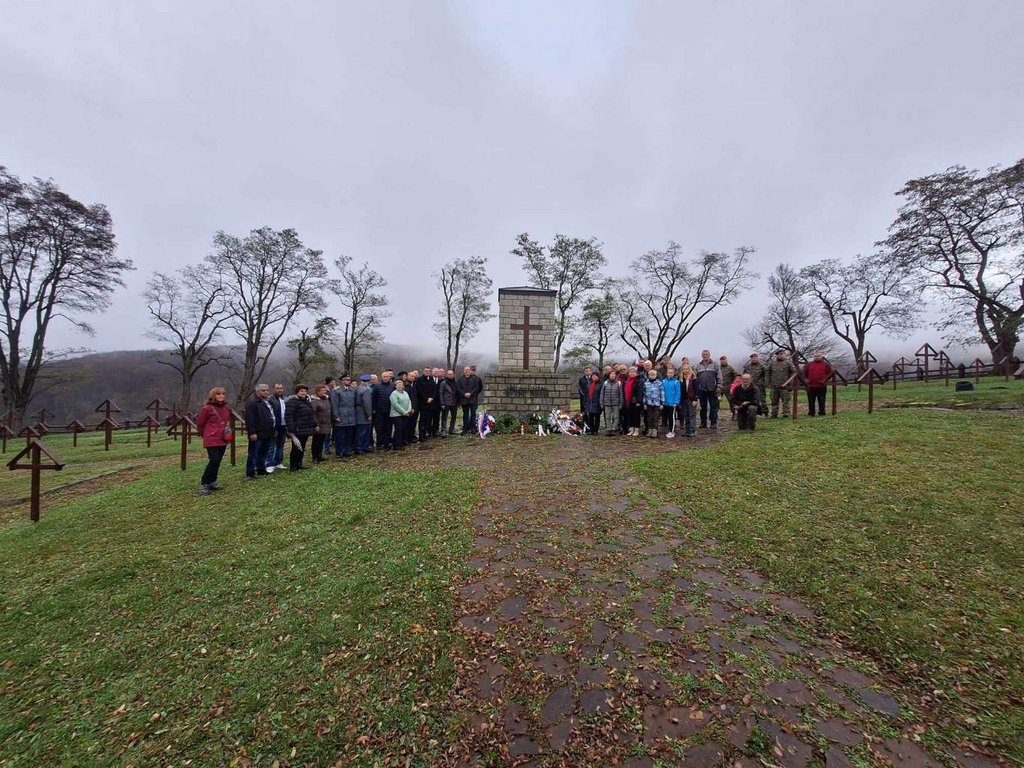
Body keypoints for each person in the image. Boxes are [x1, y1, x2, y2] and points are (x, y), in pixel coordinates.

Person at [196, 386, 230, 495]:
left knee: (218, 460)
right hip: (211, 438)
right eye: (218, 394)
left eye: (223, 394)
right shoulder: (207, 408)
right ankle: (204, 483)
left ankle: (212, 481)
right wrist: (206, 435)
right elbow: (200, 424)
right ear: (213, 395)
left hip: (222, 438)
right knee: (214, 460)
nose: (221, 396)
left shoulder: (225, 408)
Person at [244, 383, 277, 479]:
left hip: (268, 432)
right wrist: (252, 432)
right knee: (253, 453)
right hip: (257, 433)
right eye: (263, 390)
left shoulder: (268, 401)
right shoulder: (252, 402)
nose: (266, 392)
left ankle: (261, 469)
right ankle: (250, 473)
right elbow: (249, 419)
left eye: (267, 390)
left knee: (263, 452)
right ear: (257, 391)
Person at [284, 384, 317, 471]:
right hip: (297, 428)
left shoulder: (306, 401)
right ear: (297, 392)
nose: (303, 393)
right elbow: (289, 415)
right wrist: (291, 428)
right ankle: (293, 466)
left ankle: (299, 463)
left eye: (305, 391)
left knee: (302, 446)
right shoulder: (292, 401)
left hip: (305, 428)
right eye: (301, 391)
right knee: (295, 448)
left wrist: (313, 424)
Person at [694, 350, 723, 430]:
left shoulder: (715, 364)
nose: (705, 355)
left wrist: (719, 386)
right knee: (703, 407)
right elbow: (695, 378)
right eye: (703, 354)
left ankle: (713, 423)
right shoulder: (698, 365)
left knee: (713, 407)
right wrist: (696, 388)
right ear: (701, 355)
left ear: (709, 355)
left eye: (706, 354)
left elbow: (719, 376)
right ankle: (703, 423)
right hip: (702, 390)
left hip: (713, 389)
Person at [331, 374, 357, 457]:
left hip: (351, 417)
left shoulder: (352, 391)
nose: (348, 381)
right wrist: (336, 416)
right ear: (342, 381)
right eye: (346, 380)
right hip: (341, 417)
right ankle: (339, 452)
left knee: (349, 436)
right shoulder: (337, 391)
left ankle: (347, 451)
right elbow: (334, 405)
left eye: (349, 380)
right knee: (340, 436)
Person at [767, 350, 797, 418]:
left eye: (781, 354)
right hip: (774, 386)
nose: (780, 355)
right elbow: (768, 373)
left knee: (785, 401)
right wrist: (768, 383)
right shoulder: (772, 364)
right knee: (774, 401)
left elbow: (793, 373)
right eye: (778, 354)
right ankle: (774, 414)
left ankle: (786, 414)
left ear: (784, 354)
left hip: (785, 386)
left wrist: (790, 383)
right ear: (776, 355)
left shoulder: (788, 363)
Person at [803, 350, 833, 416]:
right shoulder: (809, 364)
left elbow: (830, 373)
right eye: (815, 356)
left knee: (821, 400)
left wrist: (825, 380)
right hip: (811, 386)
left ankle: (822, 412)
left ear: (821, 356)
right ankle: (811, 412)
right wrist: (809, 379)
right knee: (811, 401)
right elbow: (805, 373)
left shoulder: (825, 364)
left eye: (818, 356)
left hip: (821, 386)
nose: (817, 357)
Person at [456, 365, 483, 435]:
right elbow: (458, 388)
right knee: (465, 414)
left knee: (473, 414)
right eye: (466, 370)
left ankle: (473, 429)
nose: (467, 371)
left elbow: (477, 388)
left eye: (468, 370)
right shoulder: (460, 379)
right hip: (464, 399)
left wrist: (471, 393)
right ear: (464, 371)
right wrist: (464, 394)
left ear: (470, 371)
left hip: (472, 399)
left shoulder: (475, 379)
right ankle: (465, 429)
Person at [266, 383, 288, 470]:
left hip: (283, 426)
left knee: (280, 445)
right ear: (274, 389)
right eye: (277, 388)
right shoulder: (271, 400)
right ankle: (269, 464)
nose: (279, 390)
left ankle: (278, 462)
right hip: (274, 426)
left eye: (281, 388)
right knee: (271, 446)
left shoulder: (284, 399)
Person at [372, 371, 396, 450]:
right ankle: (379, 443)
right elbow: (373, 398)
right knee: (380, 428)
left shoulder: (393, 386)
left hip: (389, 410)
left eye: (387, 376)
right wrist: (374, 408)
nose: (386, 378)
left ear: (390, 377)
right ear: (381, 377)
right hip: (380, 410)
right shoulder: (377, 386)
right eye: (384, 376)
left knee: (388, 427)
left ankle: (387, 443)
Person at [310, 384, 333, 463]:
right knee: (316, 441)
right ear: (318, 392)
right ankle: (315, 457)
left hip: (325, 424)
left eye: (325, 390)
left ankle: (319, 455)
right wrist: (316, 424)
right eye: (323, 391)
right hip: (318, 425)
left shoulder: (326, 399)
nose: (325, 392)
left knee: (321, 440)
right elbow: (313, 413)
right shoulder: (314, 401)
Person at [390, 378, 413, 450]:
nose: (400, 386)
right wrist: (403, 412)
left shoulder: (405, 393)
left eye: (401, 385)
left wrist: (409, 410)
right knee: (398, 429)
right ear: (395, 386)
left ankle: (402, 443)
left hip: (406, 414)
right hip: (397, 415)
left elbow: (409, 401)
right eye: (398, 385)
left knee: (403, 429)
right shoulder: (394, 394)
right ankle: (396, 445)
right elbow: (395, 405)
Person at [417, 368, 440, 440]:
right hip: (423, 403)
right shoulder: (420, 379)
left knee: (428, 419)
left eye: (428, 371)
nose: (427, 372)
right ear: (423, 372)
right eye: (426, 371)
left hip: (431, 403)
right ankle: (421, 435)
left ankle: (427, 434)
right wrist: (426, 398)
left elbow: (435, 390)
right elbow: (420, 391)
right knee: (422, 420)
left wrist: (432, 398)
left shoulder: (431, 379)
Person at [599, 369, 622, 435]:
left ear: (615, 375)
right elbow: (602, 393)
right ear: (609, 375)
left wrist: (621, 403)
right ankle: (609, 429)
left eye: (613, 374)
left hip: (616, 403)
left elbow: (621, 394)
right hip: (607, 403)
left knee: (616, 417)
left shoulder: (619, 383)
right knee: (607, 417)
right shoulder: (605, 383)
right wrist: (601, 402)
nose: (612, 375)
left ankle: (614, 429)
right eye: (611, 374)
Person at [355, 374, 374, 453]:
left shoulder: (357, 388)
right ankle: (362, 447)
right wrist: (369, 415)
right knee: (364, 431)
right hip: (363, 413)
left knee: (359, 431)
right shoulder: (366, 390)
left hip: (358, 411)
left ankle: (359, 447)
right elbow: (367, 404)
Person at [623, 366, 644, 436]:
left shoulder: (639, 381)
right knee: (630, 415)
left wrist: (639, 401)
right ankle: (631, 429)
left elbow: (640, 392)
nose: (631, 373)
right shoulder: (627, 380)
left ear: (636, 373)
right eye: (630, 372)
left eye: (633, 372)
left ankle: (636, 430)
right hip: (628, 401)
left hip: (636, 401)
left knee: (636, 416)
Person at [678, 363, 698, 437]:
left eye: (686, 369)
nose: (685, 370)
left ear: (689, 369)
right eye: (683, 369)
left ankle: (692, 430)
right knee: (686, 415)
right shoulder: (680, 378)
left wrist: (696, 399)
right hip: (684, 399)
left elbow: (696, 389)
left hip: (691, 399)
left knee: (691, 415)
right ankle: (687, 430)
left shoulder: (693, 378)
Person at [643, 368, 664, 437]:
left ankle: (655, 430)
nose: (652, 376)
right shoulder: (646, 383)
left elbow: (662, 393)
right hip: (648, 403)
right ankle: (649, 430)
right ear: (648, 375)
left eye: (653, 374)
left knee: (655, 418)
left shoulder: (659, 383)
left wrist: (662, 403)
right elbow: (644, 394)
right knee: (649, 418)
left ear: (656, 375)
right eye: (650, 374)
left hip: (657, 403)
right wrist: (644, 403)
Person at [662, 366, 681, 438]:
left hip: (672, 403)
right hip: (665, 402)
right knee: (666, 417)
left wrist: (676, 401)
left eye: (671, 373)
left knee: (671, 417)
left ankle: (672, 431)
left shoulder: (676, 382)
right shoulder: (664, 381)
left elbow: (678, 392)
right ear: (667, 373)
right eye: (669, 373)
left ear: (674, 374)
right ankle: (668, 429)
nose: (670, 374)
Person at [439, 369, 459, 435]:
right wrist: (442, 403)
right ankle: (443, 430)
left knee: (454, 417)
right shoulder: (444, 383)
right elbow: (440, 393)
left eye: (452, 374)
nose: (451, 375)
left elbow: (457, 393)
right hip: (446, 403)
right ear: (447, 375)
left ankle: (452, 429)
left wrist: (458, 402)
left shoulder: (455, 383)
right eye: (449, 374)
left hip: (454, 403)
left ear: (453, 375)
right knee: (444, 417)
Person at [720, 356, 738, 420]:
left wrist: (734, 383)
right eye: (721, 360)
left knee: (731, 402)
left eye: (724, 360)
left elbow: (736, 375)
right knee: (716, 402)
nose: (723, 361)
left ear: (726, 360)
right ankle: (714, 416)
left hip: (729, 388)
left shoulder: (730, 368)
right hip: (720, 388)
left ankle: (734, 414)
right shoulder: (718, 368)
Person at [404, 370, 419, 443]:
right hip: (408, 408)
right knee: (407, 424)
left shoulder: (416, 384)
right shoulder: (405, 385)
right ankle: (406, 438)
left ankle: (412, 436)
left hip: (415, 407)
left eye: (414, 376)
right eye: (411, 376)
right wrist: (410, 408)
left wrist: (415, 407)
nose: (413, 377)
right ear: (407, 377)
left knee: (413, 423)